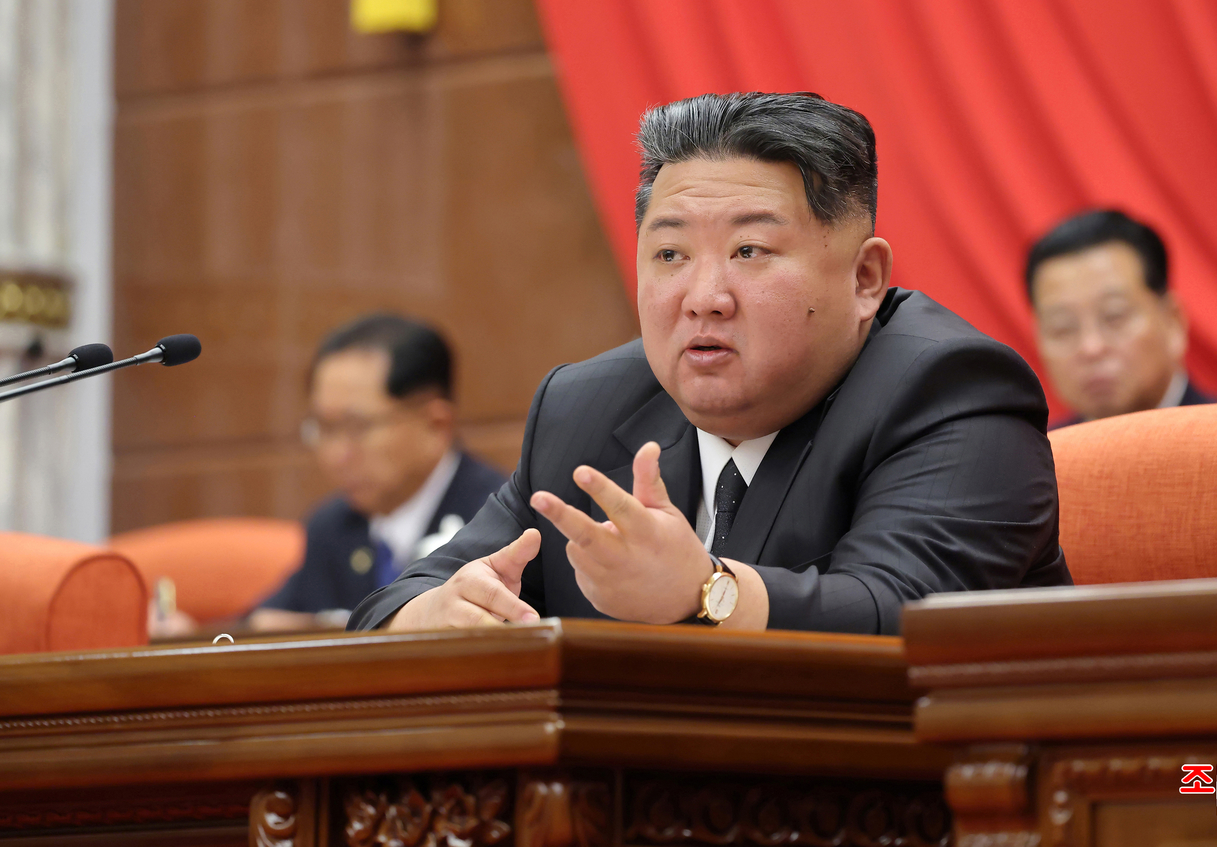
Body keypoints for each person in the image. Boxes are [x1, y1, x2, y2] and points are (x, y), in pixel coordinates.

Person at [350, 92, 1071, 637]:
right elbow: (392, 601)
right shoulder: (587, 406)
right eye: (670, 254)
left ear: (863, 279)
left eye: (749, 252)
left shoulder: (954, 393)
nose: (703, 297)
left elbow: (900, 617)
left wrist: (705, 591)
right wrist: (437, 611)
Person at [250, 314, 507, 630]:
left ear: (435, 426)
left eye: (356, 427)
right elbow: (263, 622)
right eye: (324, 428)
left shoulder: (498, 522)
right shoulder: (333, 529)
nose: (335, 455)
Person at [1026, 208, 1217, 429]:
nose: (1091, 348)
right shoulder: (1039, 457)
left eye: (1114, 316)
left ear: (1172, 322)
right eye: (1062, 328)